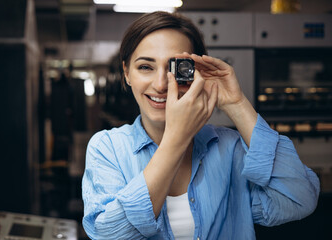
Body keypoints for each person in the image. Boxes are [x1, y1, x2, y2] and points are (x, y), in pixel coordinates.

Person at [82, 11, 320, 239]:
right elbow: (109, 234)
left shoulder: (230, 148)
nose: (161, 84)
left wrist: (237, 103)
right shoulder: (107, 148)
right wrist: (176, 138)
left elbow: (299, 200)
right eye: (145, 67)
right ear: (126, 73)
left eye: (177, 68)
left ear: (196, 73)